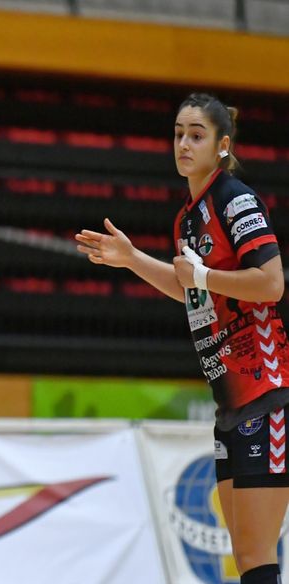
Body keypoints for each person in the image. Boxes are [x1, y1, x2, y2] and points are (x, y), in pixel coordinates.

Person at [75, 93, 289, 584]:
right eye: (178, 134)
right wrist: (132, 258)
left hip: (266, 394)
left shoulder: (235, 199)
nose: (184, 144)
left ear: (222, 145)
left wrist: (205, 276)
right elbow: (191, 289)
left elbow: (270, 283)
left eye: (197, 135)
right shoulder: (187, 218)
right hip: (230, 404)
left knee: (257, 557)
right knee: (246, 557)